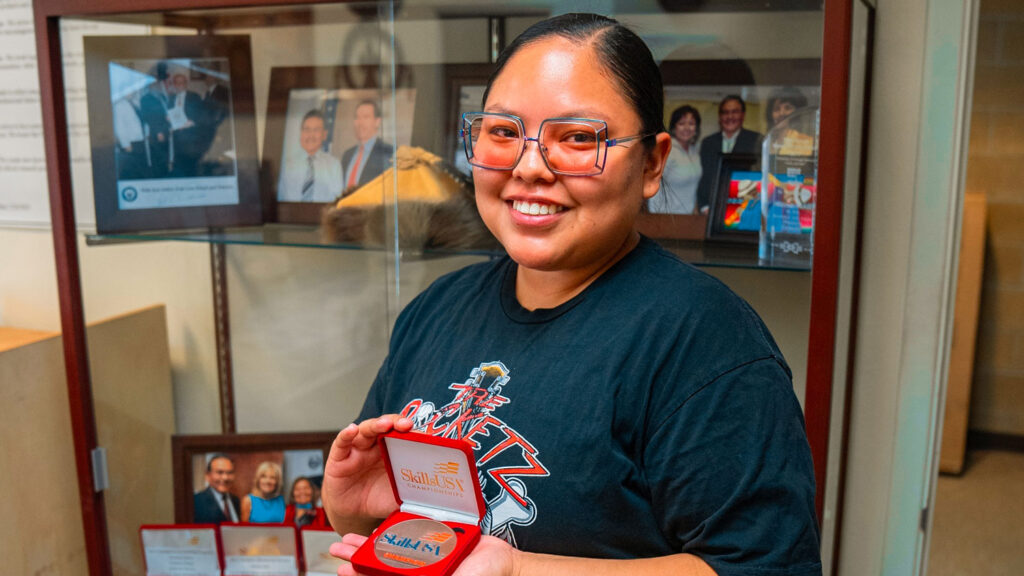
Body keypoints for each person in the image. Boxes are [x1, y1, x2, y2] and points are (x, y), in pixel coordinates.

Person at [323, 12, 821, 576]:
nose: (530, 167)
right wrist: (352, 513)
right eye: (504, 132)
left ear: (653, 163)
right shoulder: (435, 309)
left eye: (579, 138)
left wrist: (516, 571)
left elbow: (763, 567)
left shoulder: (706, 341)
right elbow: (400, 529)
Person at [696, 95, 763, 212]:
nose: (730, 117)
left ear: (743, 115)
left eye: (735, 112)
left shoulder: (757, 140)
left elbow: (759, 177)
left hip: (745, 207)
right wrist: (704, 206)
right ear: (720, 117)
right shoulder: (708, 143)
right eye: (725, 113)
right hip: (711, 209)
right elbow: (704, 177)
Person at [278, 109, 344, 202]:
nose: (311, 135)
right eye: (306, 129)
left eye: (316, 130)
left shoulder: (334, 165)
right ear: (301, 133)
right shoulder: (287, 165)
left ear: (324, 135)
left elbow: (337, 200)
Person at [649, 104, 701, 214]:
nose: (686, 128)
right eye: (681, 123)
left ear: (696, 128)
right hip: (665, 216)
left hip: (687, 217)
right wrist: (654, 215)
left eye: (691, 124)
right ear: (674, 127)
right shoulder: (666, 150)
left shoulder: (695, 152)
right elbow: (652, 184)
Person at [340, 100, 394, 194]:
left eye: (366, 117)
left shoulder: (389, 153)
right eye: (357, 118)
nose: (360, 123)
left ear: (377, 122)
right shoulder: (347, 155)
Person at [765, 87, 815, 157]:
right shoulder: (765, 141)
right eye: (776, 109)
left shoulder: (807, 142)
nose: (781, 113)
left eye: (787, 108)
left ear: (798, 112)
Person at [193, 454, 240, 524]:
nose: (225, 478)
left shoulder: (236, 500)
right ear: (207, 475)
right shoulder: (196, 502)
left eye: (229, 473)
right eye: (220, 472)